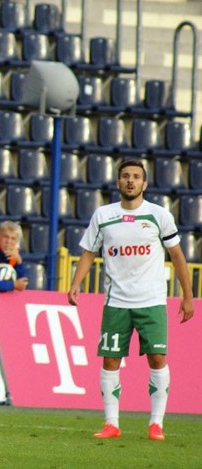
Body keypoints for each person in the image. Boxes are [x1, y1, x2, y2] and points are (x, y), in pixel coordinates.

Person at [68, 159, 194, 441]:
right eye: (125, 176)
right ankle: (111, 424)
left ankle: (156, 424)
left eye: (136, 177)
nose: (130, 181)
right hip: (116, 302)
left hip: (151, 301)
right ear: (118, 182)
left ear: (144, 184)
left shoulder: (158, 215)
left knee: (157, 357)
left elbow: (177, 256)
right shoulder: (103, 215)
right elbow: (89, 252)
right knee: (111, 360)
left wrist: (188, 296)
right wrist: (76, 283)